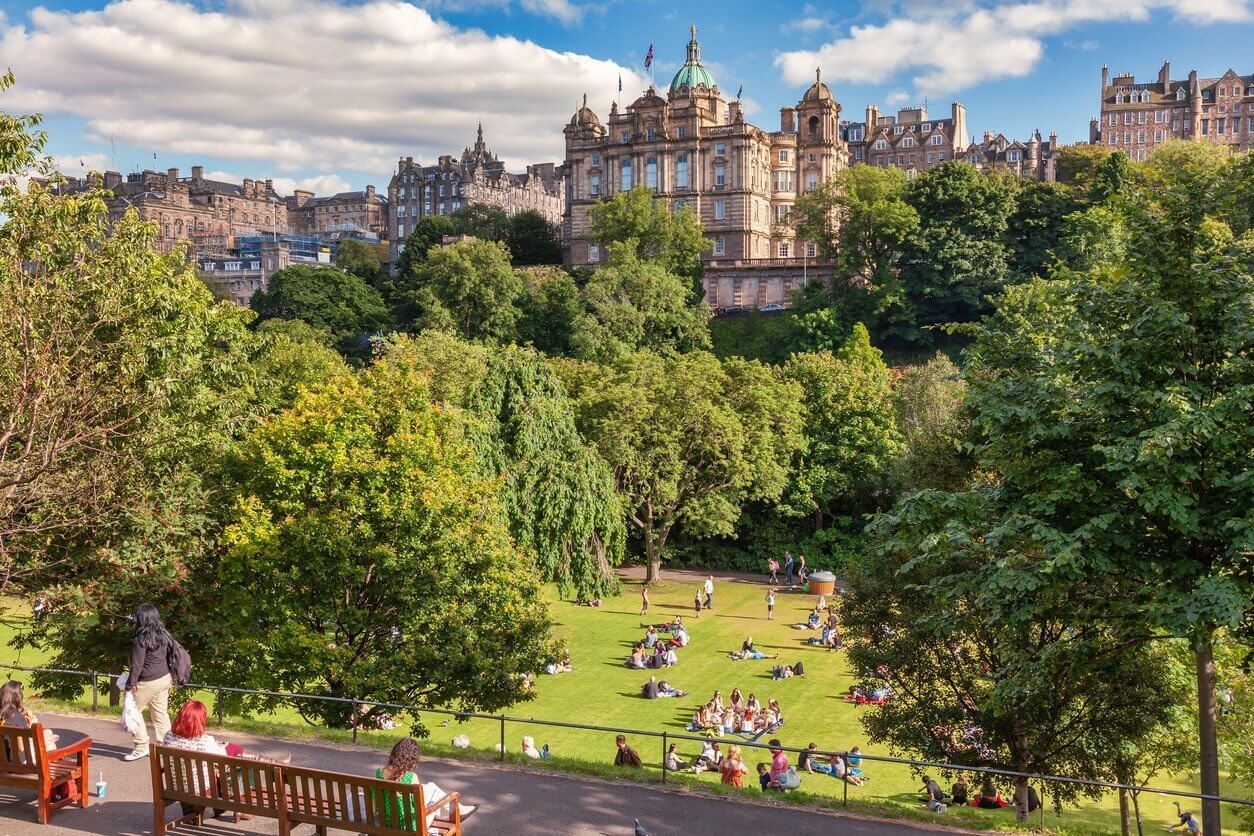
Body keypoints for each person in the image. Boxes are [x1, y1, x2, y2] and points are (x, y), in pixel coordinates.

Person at [377, 738, 475, 827]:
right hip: (410, 827)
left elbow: (375, 804)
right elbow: (419, 808)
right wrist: (434, 806)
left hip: (385, 823)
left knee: (430, 786)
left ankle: (459, 809)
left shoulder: (379, 773)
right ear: (412, 758)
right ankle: (459, 810)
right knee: (434, 803)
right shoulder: (410, 777)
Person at [124, 603, 177, 762]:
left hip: (148, 681)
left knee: (132, 711)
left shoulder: (141, 638)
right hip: (165, 678)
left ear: (141, 618)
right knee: (159, 713)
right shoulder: (164, 634)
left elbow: (137, 665)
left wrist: (128, 686)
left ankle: (141, 746)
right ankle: (166, 747)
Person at [0, 680, 58, 752]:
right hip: (18, 761)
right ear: (18, 698)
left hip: (3, 758)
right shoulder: (18, 717)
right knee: (48, 735)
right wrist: (32, 726)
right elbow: (21, 748)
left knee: (48, 734)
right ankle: (55, 758)